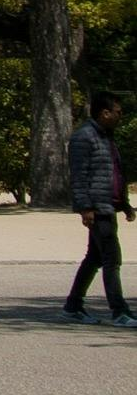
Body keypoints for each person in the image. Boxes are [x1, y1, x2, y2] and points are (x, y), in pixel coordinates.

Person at [66, 92, 134, 326]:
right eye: (118, 112)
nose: (120, 116)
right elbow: (79, 176)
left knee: (94, 258)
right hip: (96, 208)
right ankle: (119, 311)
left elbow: (113, 174)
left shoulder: (106, 137)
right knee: (111, 259)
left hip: (107, 206)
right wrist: (85, 208)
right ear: (104, 113)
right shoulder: (84, 137)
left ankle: (72, 306)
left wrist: (124, 204)